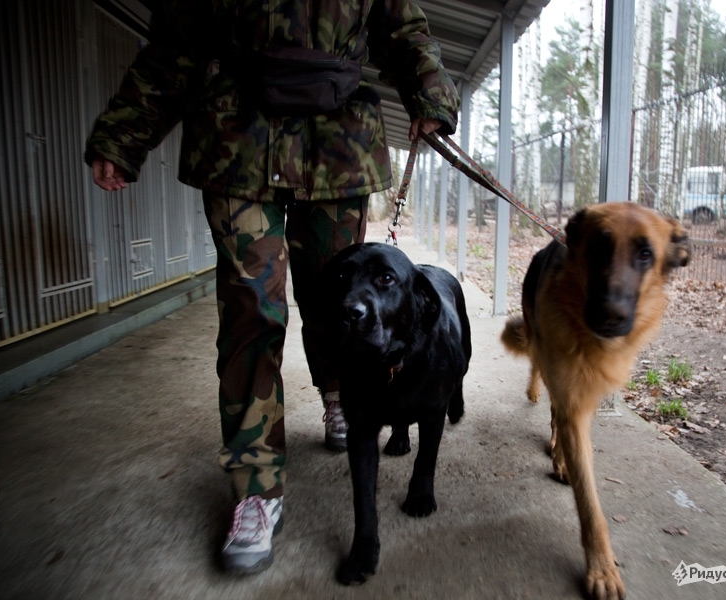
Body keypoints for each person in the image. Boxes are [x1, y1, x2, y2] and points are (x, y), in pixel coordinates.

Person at [85, 0, 459, 576]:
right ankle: (254, 486)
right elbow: (177, 41)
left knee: (342, 301)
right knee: (250, 316)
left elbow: (401, 24)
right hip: (237, 139)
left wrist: (429, 93)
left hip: (338, 150)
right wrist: (124, 134)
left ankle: (342, 397)